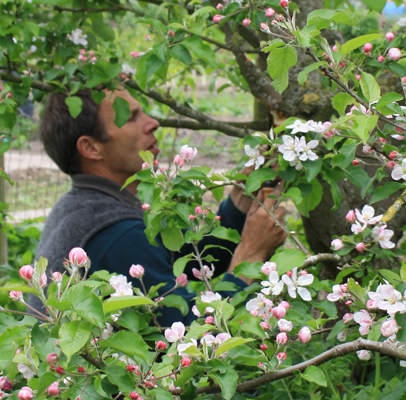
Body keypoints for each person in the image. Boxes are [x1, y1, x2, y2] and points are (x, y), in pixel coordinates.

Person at [26, 89, 288, 326]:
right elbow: (188, 335)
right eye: (132, 117)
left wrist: (242, 197)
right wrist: (252, 254)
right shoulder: (115, 233)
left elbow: (197, 259)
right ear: (91, 147)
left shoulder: (87, 204)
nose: (153, 123)